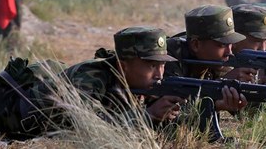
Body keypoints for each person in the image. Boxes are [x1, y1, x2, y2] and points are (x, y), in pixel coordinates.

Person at [11, 27, 182, 136]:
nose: (159, 74)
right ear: (123, 66)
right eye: (152, 66)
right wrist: (148, 115)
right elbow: (89, 129)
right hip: (9, 114)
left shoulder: (142, 85)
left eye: (163, 65)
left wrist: (167, 116)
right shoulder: (91, 78)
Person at [164, 5, 250, 112]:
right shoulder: (169, 59)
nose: (229, 52)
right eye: (222, 45)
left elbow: (243, 111)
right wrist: (214, 104)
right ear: (196, 45)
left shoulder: (216, 60)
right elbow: (174, 113)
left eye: (230, 44)